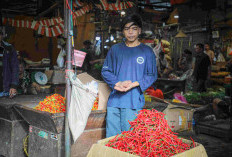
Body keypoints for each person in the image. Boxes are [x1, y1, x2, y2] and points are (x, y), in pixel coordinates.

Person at [101, 14, 157, 137]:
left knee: (129, 141)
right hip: (114, 101)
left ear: (140, 30)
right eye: (127, 29)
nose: (130, 32)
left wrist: (133, 84)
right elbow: (106, 70)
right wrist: (117, 83)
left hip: (133, 101)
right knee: (112, 140)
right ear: (122, 31)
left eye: (134, 28)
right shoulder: (115, 49)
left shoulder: (147, 52)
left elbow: (152, 74)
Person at [0, 29, 19, 98]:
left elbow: (15, 67)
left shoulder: (9, 48)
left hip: (5, 91)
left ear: (2, 36)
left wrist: (14, 86)